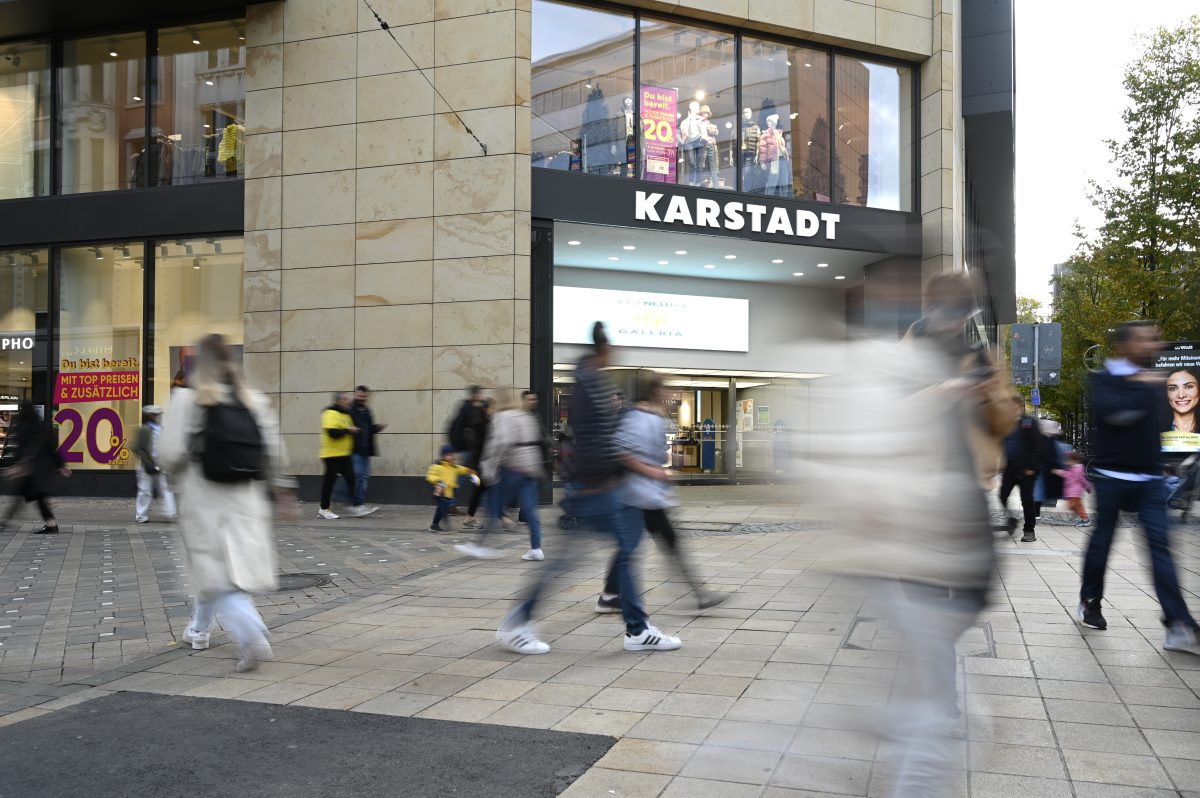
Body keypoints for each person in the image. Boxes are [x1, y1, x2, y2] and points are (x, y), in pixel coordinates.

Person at [494, 322, 683, 656]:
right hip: (596, 489)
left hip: (601, 488)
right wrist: (614, 478)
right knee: (582, 558)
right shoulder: (588, 385)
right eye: (613, 349)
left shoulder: (591, 381)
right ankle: (517, 623)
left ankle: (636, 629)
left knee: (620, 550)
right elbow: (596, 442)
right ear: (604, 349)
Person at [159, 333, 298, 672]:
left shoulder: (187, 400)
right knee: (225, 574)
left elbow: (169, 454)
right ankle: (198, 630)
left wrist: (176, 477)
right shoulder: (253, 401)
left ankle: (251, 634)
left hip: (203, 499)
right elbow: (275, 453)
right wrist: (283, 491)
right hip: (246, 500)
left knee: (215, 575)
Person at [1078, 321, 1199, 655]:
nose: (1153, 346)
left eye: (1154, 340)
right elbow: (1116, 414)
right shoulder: (1103, 379)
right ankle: (1090, 602)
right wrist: (1140, 385)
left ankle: (1178, 624)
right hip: (1111, 477)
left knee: (1161, 549)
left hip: (1149, 480)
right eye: (1145, 340)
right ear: (1124, 346)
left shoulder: (1154, 383)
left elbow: (1160, 425)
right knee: (1102, 543)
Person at [594, 373, 725, 612]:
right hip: (639, 496)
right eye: (667, 389)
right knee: (654, 545)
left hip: (648, 496)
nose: (671, 394)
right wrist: (654, 472)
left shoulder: (653, 417)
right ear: (655, 390)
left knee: (638, 546)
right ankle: (697, 594)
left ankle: (611, 594)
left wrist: (671, 458)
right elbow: (624, 453)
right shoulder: (637, 417)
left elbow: (647, 452)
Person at [456, 389, 546, 561]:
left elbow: (498, 444)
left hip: (512, 469)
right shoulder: (525, 416)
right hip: (529, 469)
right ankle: (536, 548)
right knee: (531, 511)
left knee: (493, 507)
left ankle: (480, 546)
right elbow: (536, 443)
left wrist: (489, 470)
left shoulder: (502, 417)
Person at [0, 402, 69, 534]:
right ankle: (50, 524)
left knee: (24, 496)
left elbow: (20, 449)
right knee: (31, 496)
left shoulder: (22, 426)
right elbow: (51, 449)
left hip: (29, 471)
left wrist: (12, 464)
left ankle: (5, 521)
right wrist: (61, 465)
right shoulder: (40, 427)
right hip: (40, 470)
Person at [998, 396, 1044, 541]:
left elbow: (1037, 446)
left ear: (1021, 408)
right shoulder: (1007, 424)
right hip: (1010, 467)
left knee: (1027, 501)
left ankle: (1029, 531)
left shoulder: (1029, 423)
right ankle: (1011, 519)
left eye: (1013, 407)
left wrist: (1031, 467)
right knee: (1002, 495)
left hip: (1026, 469)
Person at [317, 392, 364, 520]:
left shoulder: (346, 414)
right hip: (331, 455)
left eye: (349, 399)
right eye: (345, 399)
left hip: (344, 454)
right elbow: (333, 432)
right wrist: (349, 430)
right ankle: (324, 509)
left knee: (351, 479)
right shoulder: (330, 413)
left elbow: (350, 429)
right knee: (329, 482)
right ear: (339, 401)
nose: (348, 402)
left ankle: (356, 507)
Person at [131, 405, 177, 523]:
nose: (158, 417)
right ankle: (141, 515)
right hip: (146, 464)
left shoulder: (161, 429)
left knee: (166, 488)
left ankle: (170, 513)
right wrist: (146, 459)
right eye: (156, 414)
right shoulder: (145, 429)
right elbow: (136, 447)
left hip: (161, 463)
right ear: (150, 415)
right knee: (145, 490)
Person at [348, 386, 384, 516]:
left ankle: (359, 504)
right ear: (355, 395)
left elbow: (368, 429)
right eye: (359, 396)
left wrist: (376, 428)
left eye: (364, 396)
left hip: (366, 450)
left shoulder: (367, 410)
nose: (362, 398)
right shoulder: (350, 410)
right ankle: (356, 504)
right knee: (358, 477)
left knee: (363, 477)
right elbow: (347, 428)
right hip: (354, 449)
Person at [463, 398, 496, 530]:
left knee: (480, 491)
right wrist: (472, 467)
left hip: (484, 464)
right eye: (492, 408)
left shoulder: (485, 423)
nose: (494, 411)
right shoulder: (481, 425)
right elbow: (476, 448)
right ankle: (501, 517)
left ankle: (469, 518)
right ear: (486, 409)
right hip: (480, 465)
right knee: (481, 491)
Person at [426, 446, 476, 532]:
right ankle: (441, 524)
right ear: (443, 456)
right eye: (448, 455)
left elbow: (462, 470)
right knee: (443, 507)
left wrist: (469, 471)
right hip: (439, 491)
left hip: (449, 493)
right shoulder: (437, 466)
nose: (451, 457)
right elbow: (430, 476)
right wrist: (437, 480)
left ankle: (435, 525)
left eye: (452, 455)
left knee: (442, 509)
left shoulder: (454, 467)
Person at [1052, 451, 1091, 527]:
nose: (1067, 462)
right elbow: (1066, 474)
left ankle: (1085, 520)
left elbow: (1083, 480)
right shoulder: (1072, 469)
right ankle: (1082, 518)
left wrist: (1087, 487)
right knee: (1075, 506)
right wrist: (1057, 471)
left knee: (1073, 506)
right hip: (1071, 493)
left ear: (1075, 461)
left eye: (1069, 460)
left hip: (1075, 493)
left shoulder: (1078, 470)